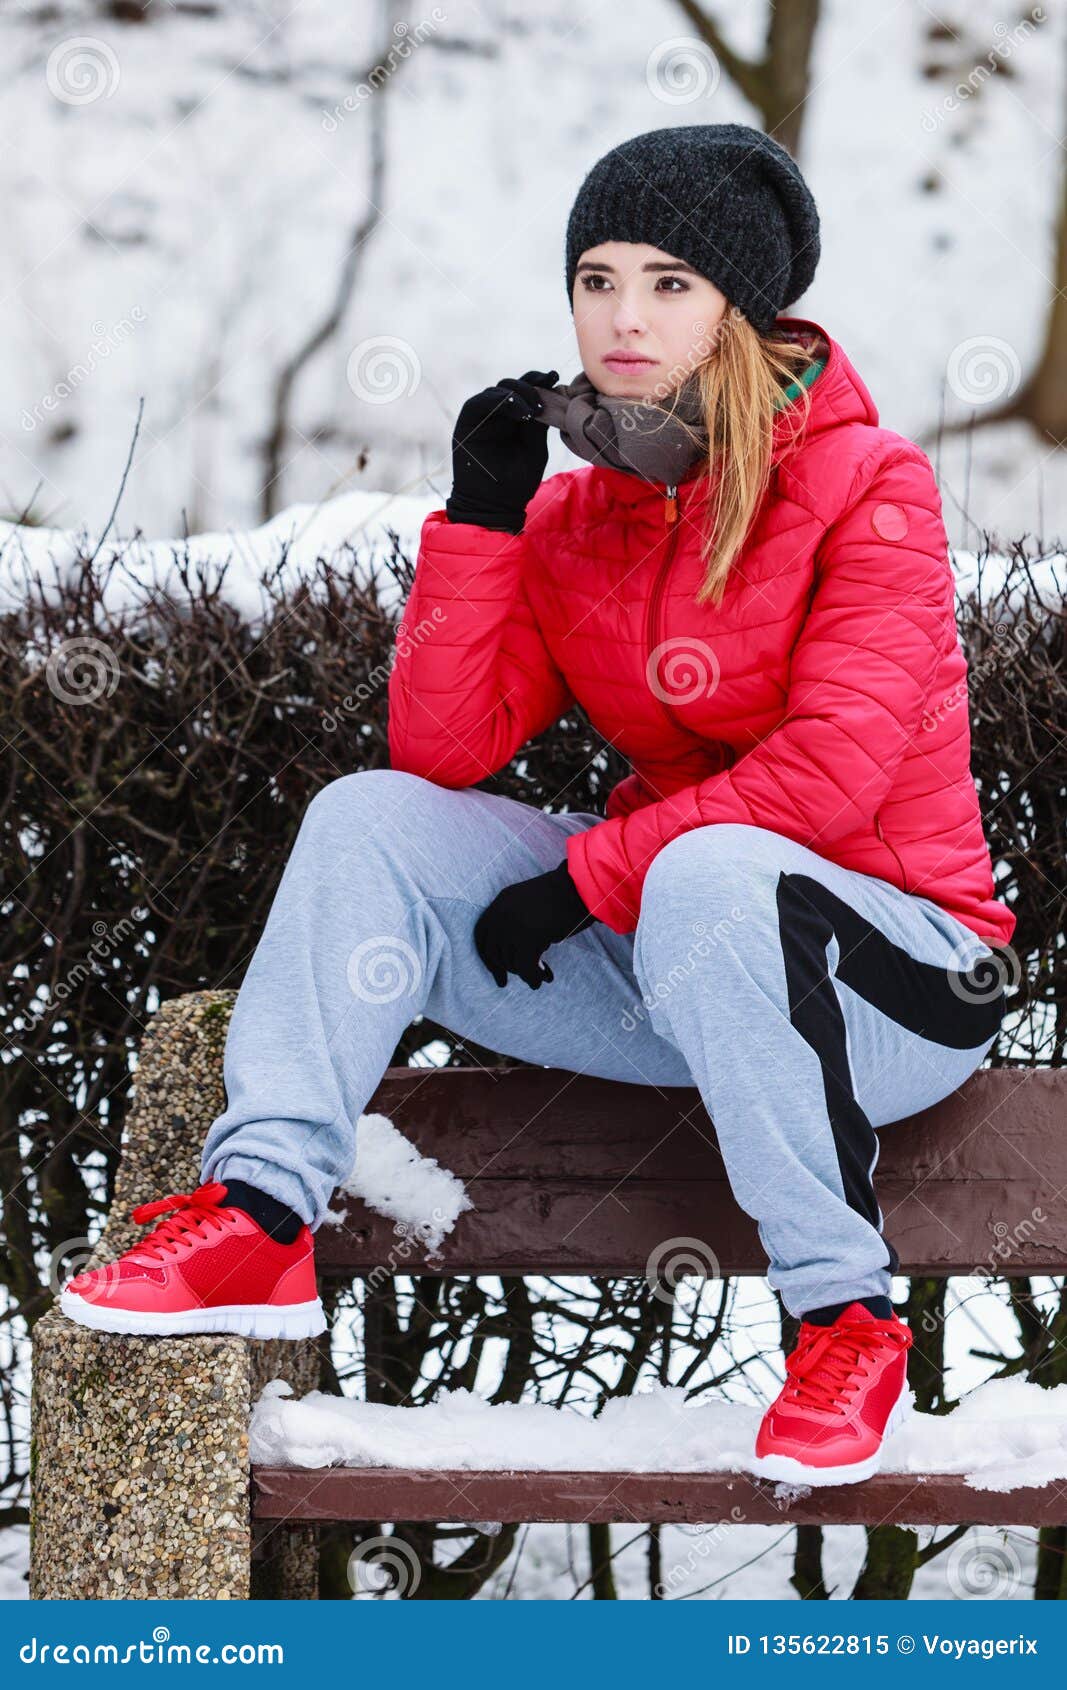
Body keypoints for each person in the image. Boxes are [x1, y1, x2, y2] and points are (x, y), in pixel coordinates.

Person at [61, 124, 1015, 1487]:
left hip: (904, 977)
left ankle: (844, 1316)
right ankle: (260, 1208)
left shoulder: (874, 488)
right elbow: (445, 751)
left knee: (707, 877)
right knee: (367, 819)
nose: (623, 316)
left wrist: (590, 877)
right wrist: (486, 524)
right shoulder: (587, 518)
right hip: (696, 964)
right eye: (597, 277)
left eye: (671, 283)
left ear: (742, 310)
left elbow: (828, 776)